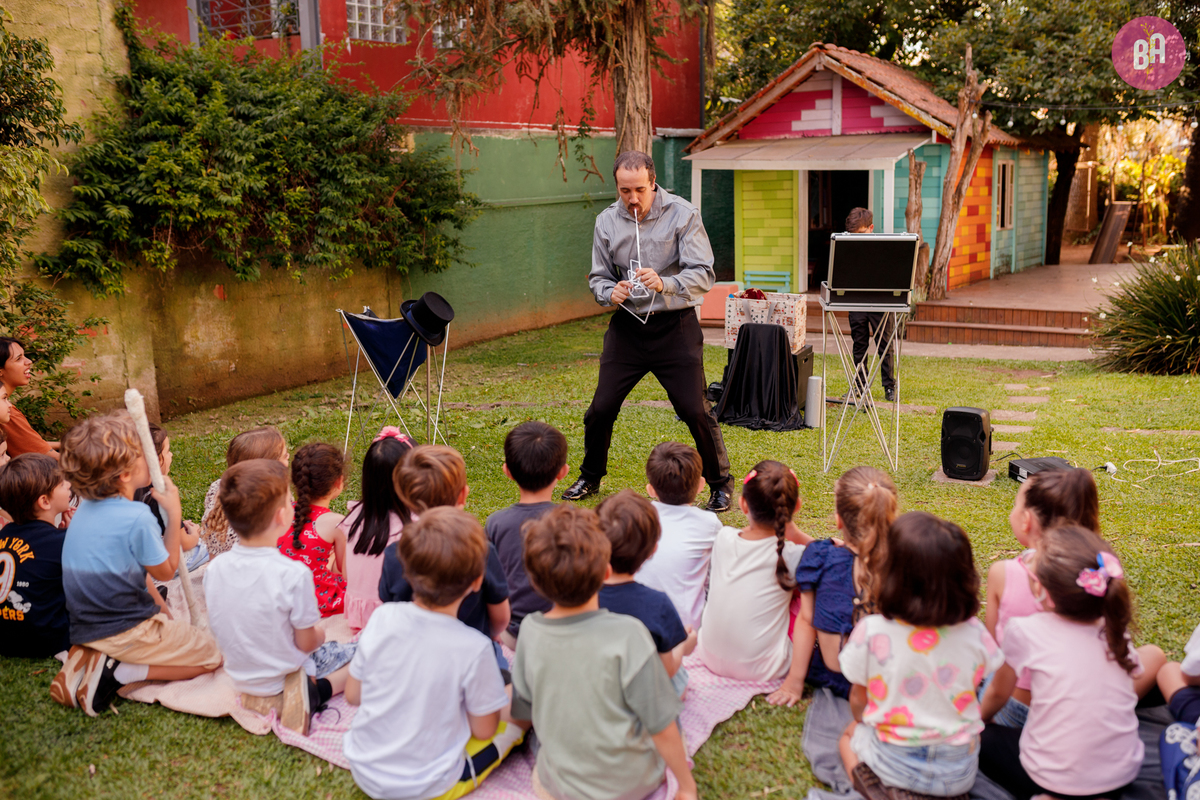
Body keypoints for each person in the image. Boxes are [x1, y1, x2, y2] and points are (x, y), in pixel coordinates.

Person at [564, 151, 733, 513]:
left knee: (694, 409)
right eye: (625, 191)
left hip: (675, 325)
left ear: (653, 182)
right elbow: (598, 276)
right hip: (627, 327)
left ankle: (720, 485)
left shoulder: (683, 214)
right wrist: (610, 292)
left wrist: (666, 282)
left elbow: (704, 273)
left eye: (639, 189)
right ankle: (590, 476)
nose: (632, 199)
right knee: (600, 409)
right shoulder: (606, 222)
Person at [512, 504, 698, 800]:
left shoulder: (530, 633)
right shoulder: (628, 634)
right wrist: (686, 786)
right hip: (634, 782)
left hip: (561, 786)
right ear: (606, 570)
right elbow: (661, 723)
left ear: (536, 581)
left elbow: (524, 711)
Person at [345, 507, 527, 800]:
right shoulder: (474, 648)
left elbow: (353, 695)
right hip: (429, 786)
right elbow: (484, 730)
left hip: (362, 765)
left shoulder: (382, 618)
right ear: (477, 581)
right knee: (522, 713)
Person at [51, 411, 222, 716]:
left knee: (176, 633)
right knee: (212, 656)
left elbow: (142, 578)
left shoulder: (86, 509)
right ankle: (120, 672)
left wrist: (164, 614)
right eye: (143, 454)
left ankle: (93, 657)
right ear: (125, 475)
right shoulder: (137, 517)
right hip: (126, 631)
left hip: (84, 627)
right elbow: (166, 571)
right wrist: (174, 513)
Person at [979, 524, 1161, 800]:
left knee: (985, 741)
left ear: (1041, 588)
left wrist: (975, 722)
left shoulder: (1025, 630)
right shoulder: (1114, 630)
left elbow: (998, 692)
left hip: (1048, 778)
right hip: (1121, 776)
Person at [838, 512, 1003, 800]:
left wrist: (865, 721)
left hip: (892, 768)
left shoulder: (872, 631)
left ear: (890, 575)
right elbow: (986, 678)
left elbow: (857, 700)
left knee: (848, 736)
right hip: (958, 775)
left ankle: (875, 790)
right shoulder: (974, 633)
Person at [204, 459, 354, 735]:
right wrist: (320, 634)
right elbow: (307, 641)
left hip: (240, 676)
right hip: (286, 678)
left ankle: (266, 697)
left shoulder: (214, 570)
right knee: (361, 657)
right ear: (280, 516)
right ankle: (316, 693)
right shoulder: (292, 574)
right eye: (289, 500)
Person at [767, 466, 898, 707]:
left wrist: (795, 680)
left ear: (839, 519)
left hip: (837, 679)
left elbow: (806, 621)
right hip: (890, 680)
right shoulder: (906, 560)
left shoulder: (820, 556)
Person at [983, 466, 1100, 728]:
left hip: (1016, 708)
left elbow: (993, 651)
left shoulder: (1003, 573)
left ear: (1027, 521)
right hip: (1081, 706)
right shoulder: (1101, 571)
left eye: (1015, 504)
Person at [380, 445, 511, 669]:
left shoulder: (395, 553)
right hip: (474, 659)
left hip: (415, 659)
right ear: (463, 494)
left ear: (405, 498)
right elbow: (500, 617)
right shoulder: (481, 548)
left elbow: (390, 607)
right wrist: (490, 636)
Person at [695, 460, 813, 681]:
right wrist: (795, 533)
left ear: (743, 504)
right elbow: (834, 556)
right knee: (805, 596)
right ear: (796, 506)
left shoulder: (723, 537)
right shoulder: (795, 555)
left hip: (707, 654)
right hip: (764, 669)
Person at [596, 490, 696, 697]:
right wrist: (683, 647)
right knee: (680, 682)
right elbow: (667, 670)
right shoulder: (657, 603)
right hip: (639, 698)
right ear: (652, 550)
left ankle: (508, 730)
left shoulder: (580, 595)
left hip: (596, 685)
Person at [485, 421, 566, 645]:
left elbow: (489, 582)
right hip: (565, 629)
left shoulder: (496, 523)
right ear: (563, 471)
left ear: (507, 471)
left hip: (512, 634)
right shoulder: (574, 521)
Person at [635, 441, 721, 630]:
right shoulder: (710, 523)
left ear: (650, 490)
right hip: (687, 631)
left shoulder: (637, 517)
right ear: (701, 485)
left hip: (639, 625)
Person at [339, 427, 415, 632]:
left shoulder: (353, 518)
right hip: (395, 619)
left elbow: (346, 574)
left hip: (359, 616)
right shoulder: (415, 525)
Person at [0, 453, 74, 657]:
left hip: (4, 639)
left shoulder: (3, 534)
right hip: (48, 639)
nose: (68, 485)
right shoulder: (64, 541)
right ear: (44, 501)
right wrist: (72, 535)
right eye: (61, 483)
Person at [277, 443, 347, 617]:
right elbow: (345, 573)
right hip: (319, 601)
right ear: (338, 481)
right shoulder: (337, 523)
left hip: (281, 594)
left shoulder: (281, 512)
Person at [201, 426, 289, 558]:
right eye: (285, 456)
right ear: (271, 466)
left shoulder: (217, 487)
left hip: (219, 567)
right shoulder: (273, 497)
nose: (288, 460)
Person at [133, 423, 208, 572]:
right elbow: (183, 544)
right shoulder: (159, 493)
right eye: (167, 452)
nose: (171, 455)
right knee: (205, 548)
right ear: (153, 460)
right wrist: (193, 534)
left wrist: (174, 527)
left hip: (135, 560)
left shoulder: (126, 490)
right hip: (152, 567)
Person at [843, 209, 895, 403]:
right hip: (857, 302)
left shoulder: (884, 247)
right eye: (852, 236)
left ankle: (889, 387)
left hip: (881, 302)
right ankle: (860, 386)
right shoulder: (847, 248)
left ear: (871, 228)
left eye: (860, 234)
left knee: (885, 346)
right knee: (859, 346)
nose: (856, 239)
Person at [0, 337, 59, 458]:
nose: (29, 361)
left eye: (24, 356)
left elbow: (33, 444)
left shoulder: (6, 405)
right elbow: (48, 456)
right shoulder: (6, 412)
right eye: (18, 359)